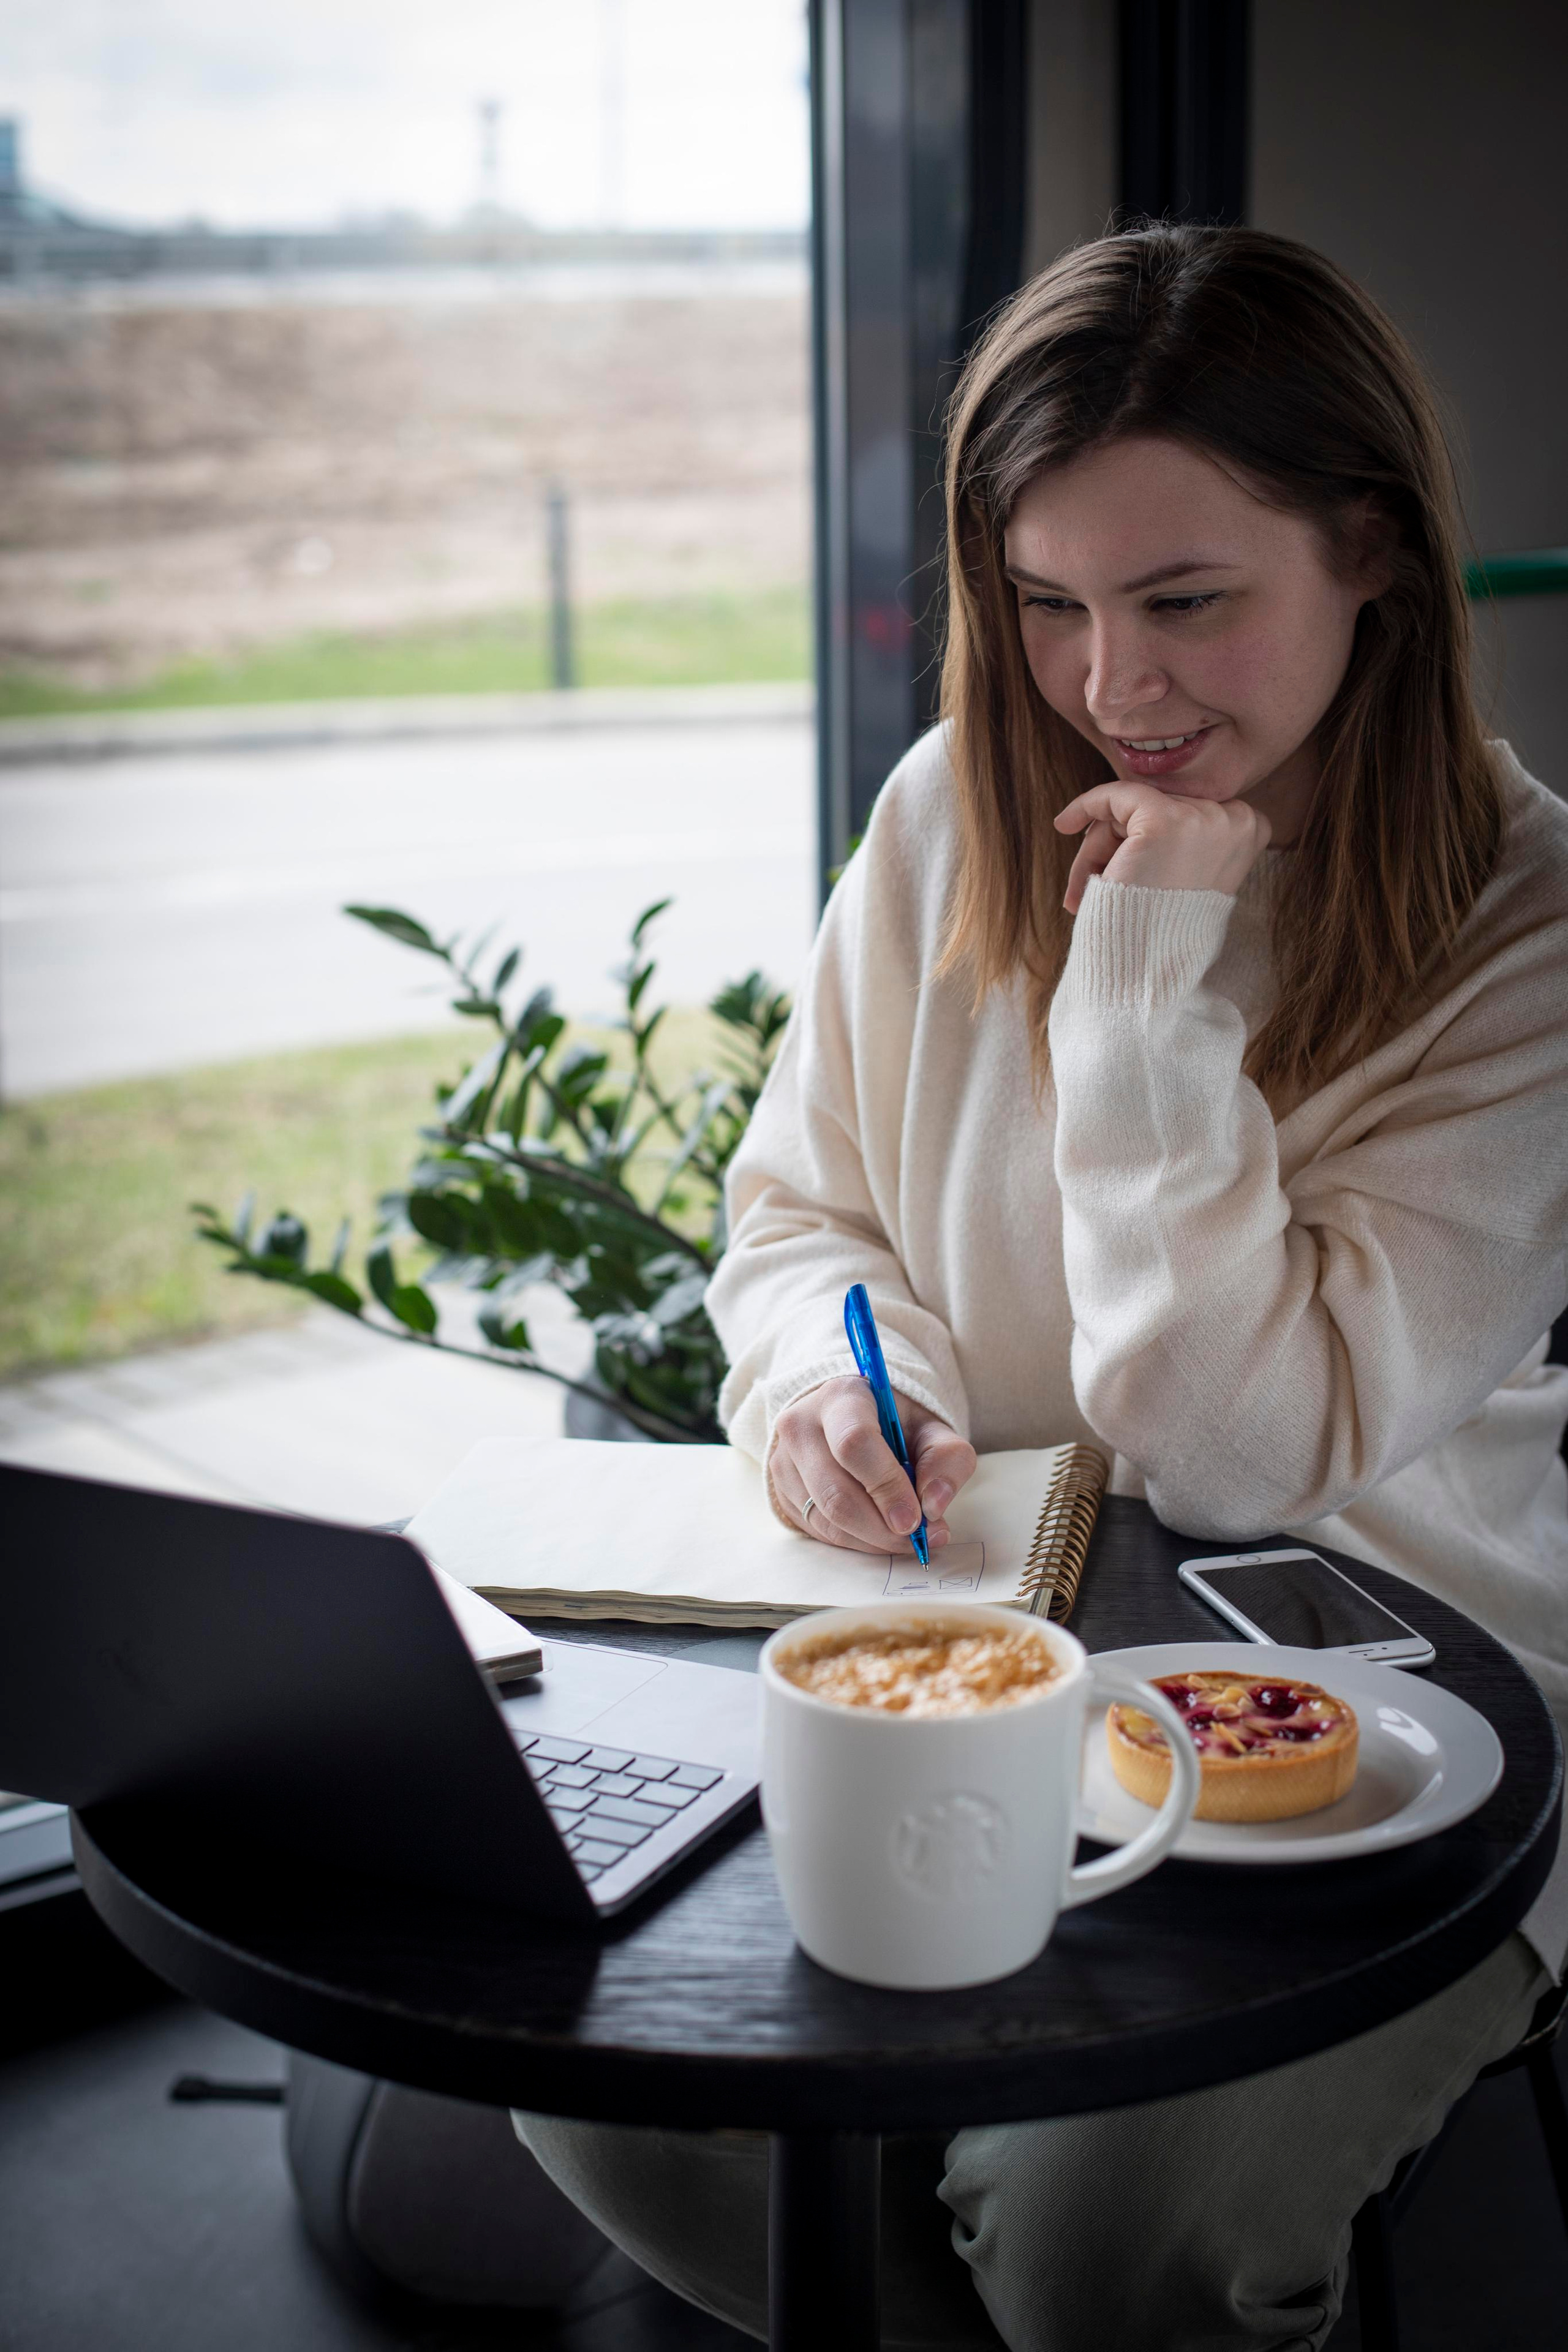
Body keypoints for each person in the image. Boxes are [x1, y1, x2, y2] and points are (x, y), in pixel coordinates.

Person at [516, 223, 1568, 2350]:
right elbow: (804, 1220)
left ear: (1371, 553)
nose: (1116, 686)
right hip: (977, 1662)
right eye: (1051, 605)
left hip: (1392, 1705)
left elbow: (1238, 1451)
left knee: (1115, 2236)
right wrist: (835, 1379)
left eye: (1188, 600)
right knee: (615, 2100)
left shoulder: (1529, 927)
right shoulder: (943, 818)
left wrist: (1156, 972)